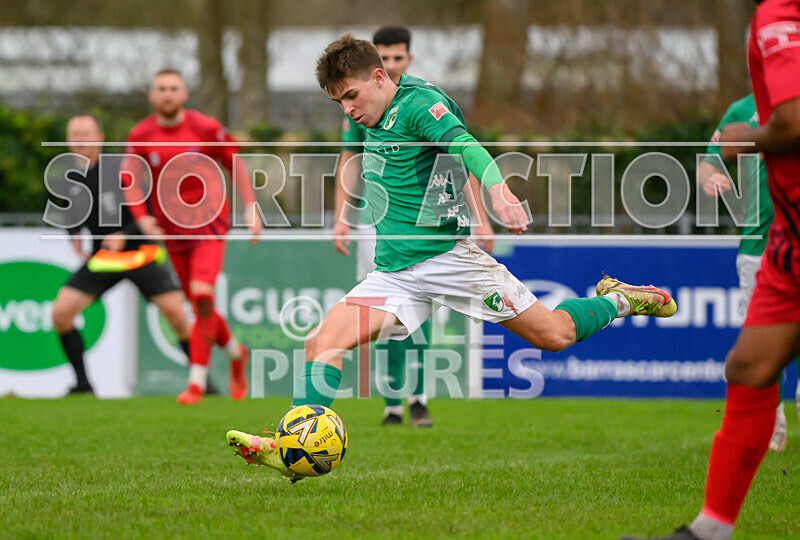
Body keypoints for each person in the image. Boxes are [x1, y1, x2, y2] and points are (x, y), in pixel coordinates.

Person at [226, 35, 676, 477]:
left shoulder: (420, 105)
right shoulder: (371, 118)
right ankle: (290, 448)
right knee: (321, 342)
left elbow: (465, 146)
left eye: (351, 96)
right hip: (396, 274)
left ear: (380, 76)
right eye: (339, 103)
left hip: (450, 261)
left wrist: (498, 191)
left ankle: (620, 298)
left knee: (553, 335)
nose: (347, 110)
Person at [625, 1, 800, 538]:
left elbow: (790, 124)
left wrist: (748, 139)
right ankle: (710, 529)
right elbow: (711, 156)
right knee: (748, 367)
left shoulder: (778, 16)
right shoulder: (743, 101)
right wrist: (714, 166)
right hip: (777, 247)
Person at [333, 25, 495, 427]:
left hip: (431, 227)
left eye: (396, 60)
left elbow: (460, 156)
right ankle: (391, 402)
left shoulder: (424, 101)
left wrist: (482, 216)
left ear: (406, 60)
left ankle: (418, 396)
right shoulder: (359, 104)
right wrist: (341, 217)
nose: (388, 66)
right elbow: (349, 160)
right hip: (377, 225)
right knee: (385, 318)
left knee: (421, 314)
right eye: (382, 58)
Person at [121, 68, 263, 404]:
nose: (168, 94)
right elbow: (129, 178)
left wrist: (251, 206)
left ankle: (196, 382)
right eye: (161, 89)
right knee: (200, 305)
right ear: (152, 96)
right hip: (172, 230)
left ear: (185, 95)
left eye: (174, 88)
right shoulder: (141, 133)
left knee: (201, 295)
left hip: (210, 224)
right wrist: (142, 219)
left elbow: (235, 162)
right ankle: (235, 352)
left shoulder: (205, 127)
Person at [52, 115, 189, 396]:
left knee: (177, 316)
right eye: (75, 134)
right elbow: (71, 213)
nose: (80, 140)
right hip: (105, 259)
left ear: (100, 137)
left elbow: (152, 209)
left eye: (85, 133)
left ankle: (202, 382)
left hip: (141, 253)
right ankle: (83, 385)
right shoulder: (68, 177)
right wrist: (73, 235)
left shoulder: (122, 169)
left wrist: (125, 234)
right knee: (61, 314)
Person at [698, 93, 799, 452]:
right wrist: (709, 177)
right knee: (766, 347)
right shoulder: (742, 109)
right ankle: (773, 429)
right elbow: (709, 161)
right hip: (758, 248)